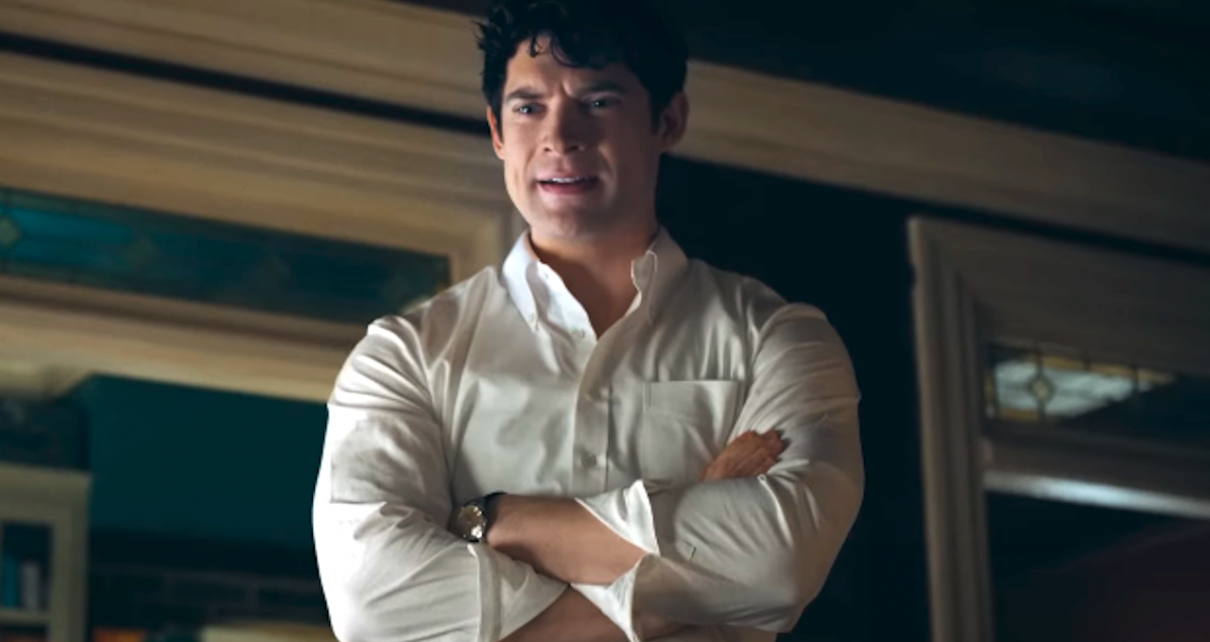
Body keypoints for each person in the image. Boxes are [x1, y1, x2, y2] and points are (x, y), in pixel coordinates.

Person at [312, 0, 864, 640]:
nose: (560, 136)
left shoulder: (779, 339)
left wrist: (495, 522)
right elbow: (373, 605)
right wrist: (682, 598)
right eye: (528, 108)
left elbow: (779, 561)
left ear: (667, 120)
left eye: (597, 102)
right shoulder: (402, 359)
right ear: (496, 131)